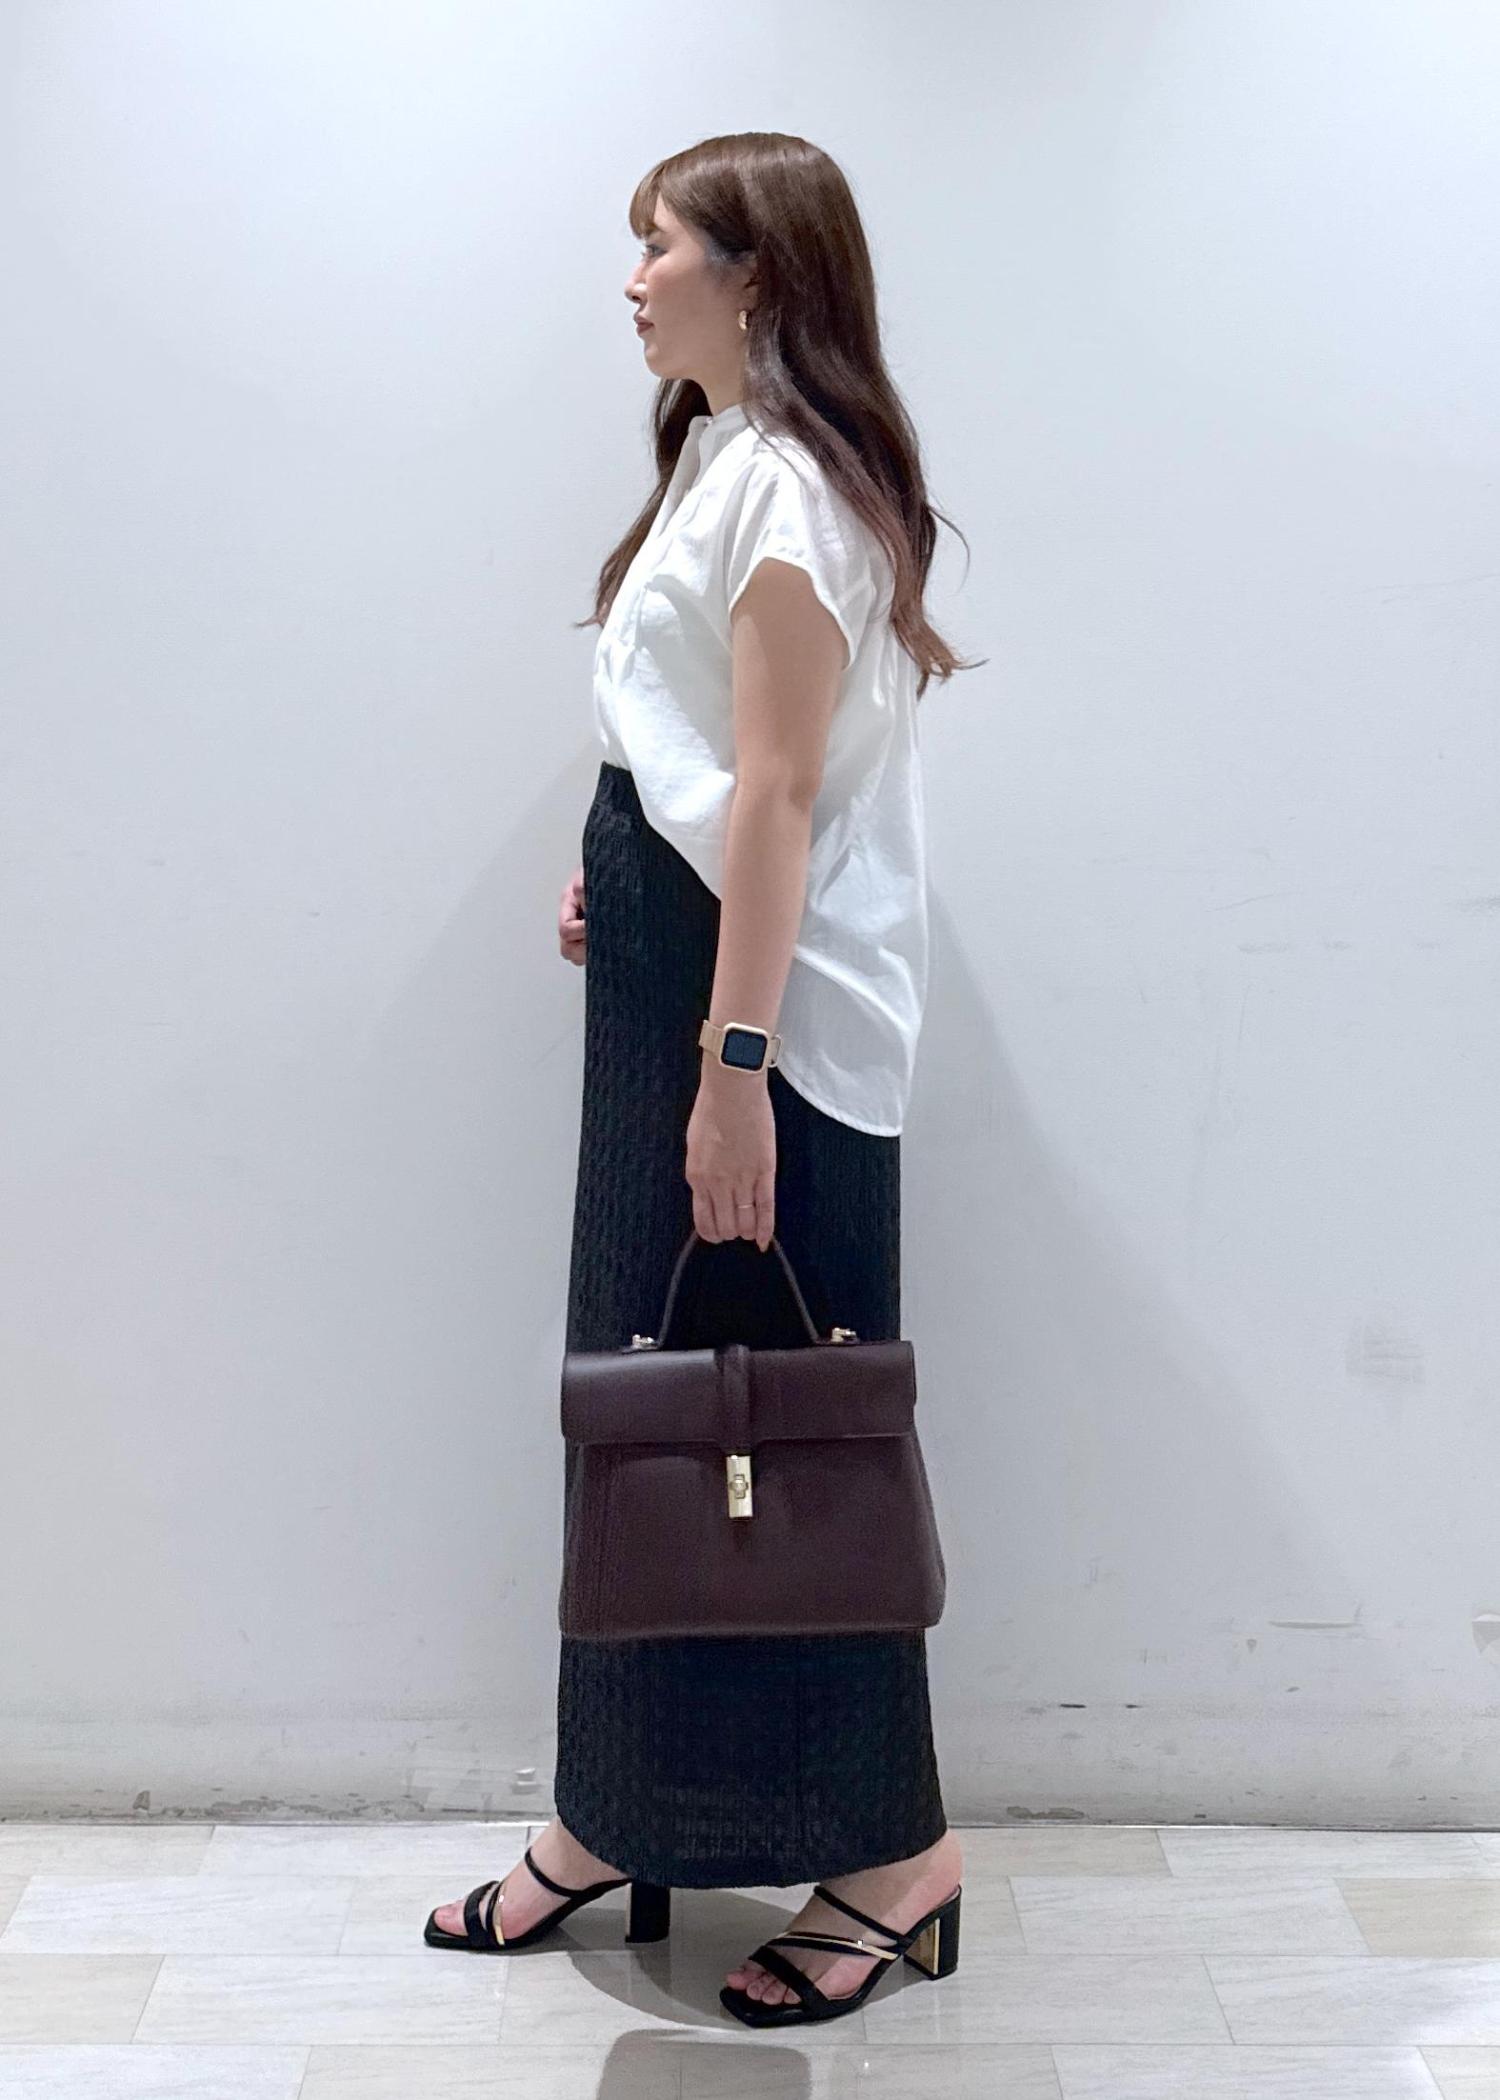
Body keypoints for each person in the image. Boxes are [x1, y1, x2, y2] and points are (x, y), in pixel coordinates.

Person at [426, 130, 981, 2026]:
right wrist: (633, 869)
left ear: (757, 277)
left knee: (787, 1431)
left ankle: (891, 1856)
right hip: (693, 978)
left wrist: (734, 1062)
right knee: (643, 1405)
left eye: (656, 244)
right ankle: (616, 1807)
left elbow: (781, 796)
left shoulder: (794, 495)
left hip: (772, 1025)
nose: (632, 278)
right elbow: (704, 768)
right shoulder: (723, 462)